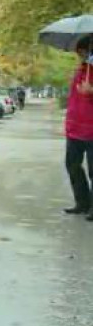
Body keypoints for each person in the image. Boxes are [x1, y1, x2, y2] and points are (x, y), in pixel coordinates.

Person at [63, 36, 93, 220]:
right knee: (72, 166)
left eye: (82, 51)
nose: (79, 55)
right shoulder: (82, 70)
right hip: (74, 129)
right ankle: (82, 202)